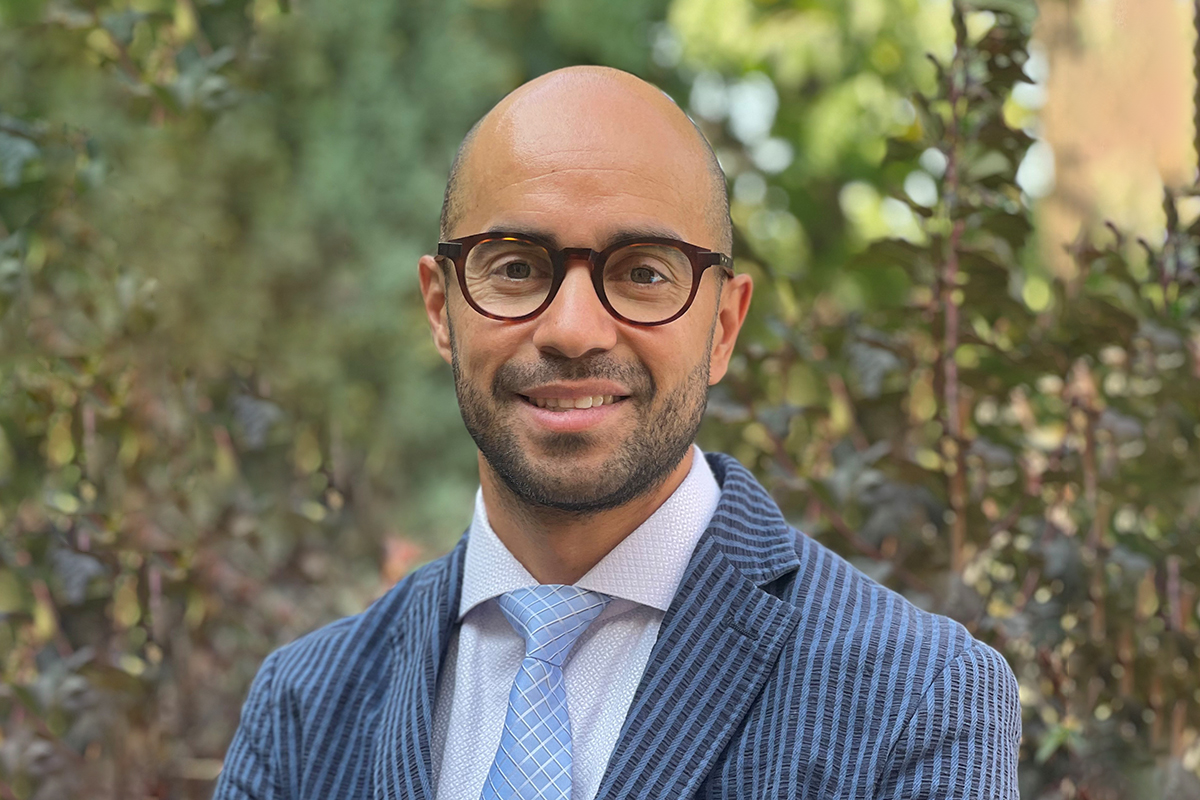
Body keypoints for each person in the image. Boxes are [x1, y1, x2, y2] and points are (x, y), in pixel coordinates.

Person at [211, 66, 1020, 800]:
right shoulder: (301, 712)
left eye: (641, 272)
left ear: (724, 327)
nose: (572, 329)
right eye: (516, 267)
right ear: (440, 307)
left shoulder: (919, 699)